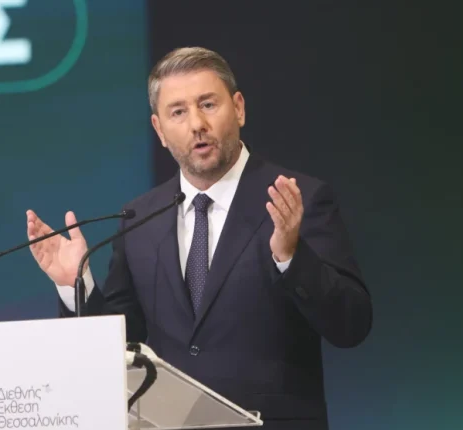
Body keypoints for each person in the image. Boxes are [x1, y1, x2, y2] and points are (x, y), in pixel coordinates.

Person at [26, 47, 372, 430]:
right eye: (178, 112)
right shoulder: (140, 219)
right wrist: (75, 284)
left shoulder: (296, 199)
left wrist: (291, 257)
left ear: (238, 108)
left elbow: (351, 325)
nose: (197, 124)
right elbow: (121, 347)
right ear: (159, 130)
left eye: (208, 104)